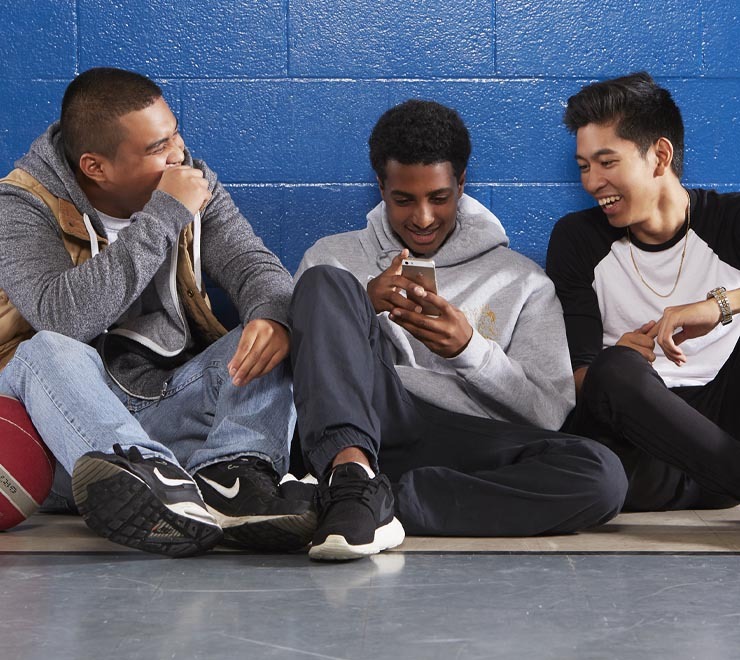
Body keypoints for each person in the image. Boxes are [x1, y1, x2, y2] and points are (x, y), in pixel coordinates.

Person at [289, 99, 627, 561]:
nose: (423, 218)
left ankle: (370, 501)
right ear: (381, 188)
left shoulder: (523, 280)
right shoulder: (332, 256)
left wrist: (470, 350)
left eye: (439, 198)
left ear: (462, 184)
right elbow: (298, 374)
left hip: (462, 434)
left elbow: (548, 412)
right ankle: (350, 478)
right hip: (362, 419)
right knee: (325, 283)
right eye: (403, 200)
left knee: (600, 474)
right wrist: (361, 305)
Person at [0, 67, 314, 556]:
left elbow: (252, 265)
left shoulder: (193, 182)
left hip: (163, 403)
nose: (178, 154)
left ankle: (232, 476)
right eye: (156, 148)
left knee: (271, 329)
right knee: (49, 349)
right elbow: (61, 317)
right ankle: (143, 478)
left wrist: (272, 316)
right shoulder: (21, 204)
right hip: (59, 435)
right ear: (95, 167)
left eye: (175, 134)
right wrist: (165, 213)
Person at [547, 71, 740, 511]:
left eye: (607, 162)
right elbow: (579, 380)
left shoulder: (729, 219)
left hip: (723, 429)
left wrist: (719, 306)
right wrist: (619, 359)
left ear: (659, 156)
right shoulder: (577, 239)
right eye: (584, 167)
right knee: (613, 367)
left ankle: (724, 473)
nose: (592, 182)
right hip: (638, 451)